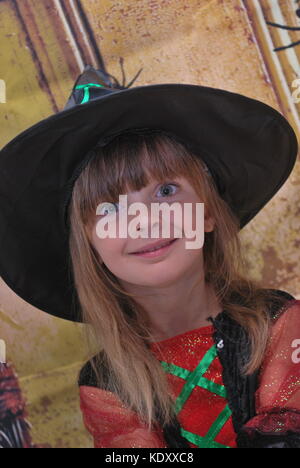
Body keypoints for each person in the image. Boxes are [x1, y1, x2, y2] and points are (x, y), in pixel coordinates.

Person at [0, 65, 299, 448]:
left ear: (208, 212)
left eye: (165, 191)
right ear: (91, 248)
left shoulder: (278, 324)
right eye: (109, 209)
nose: (143, 222)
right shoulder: (106, 383)